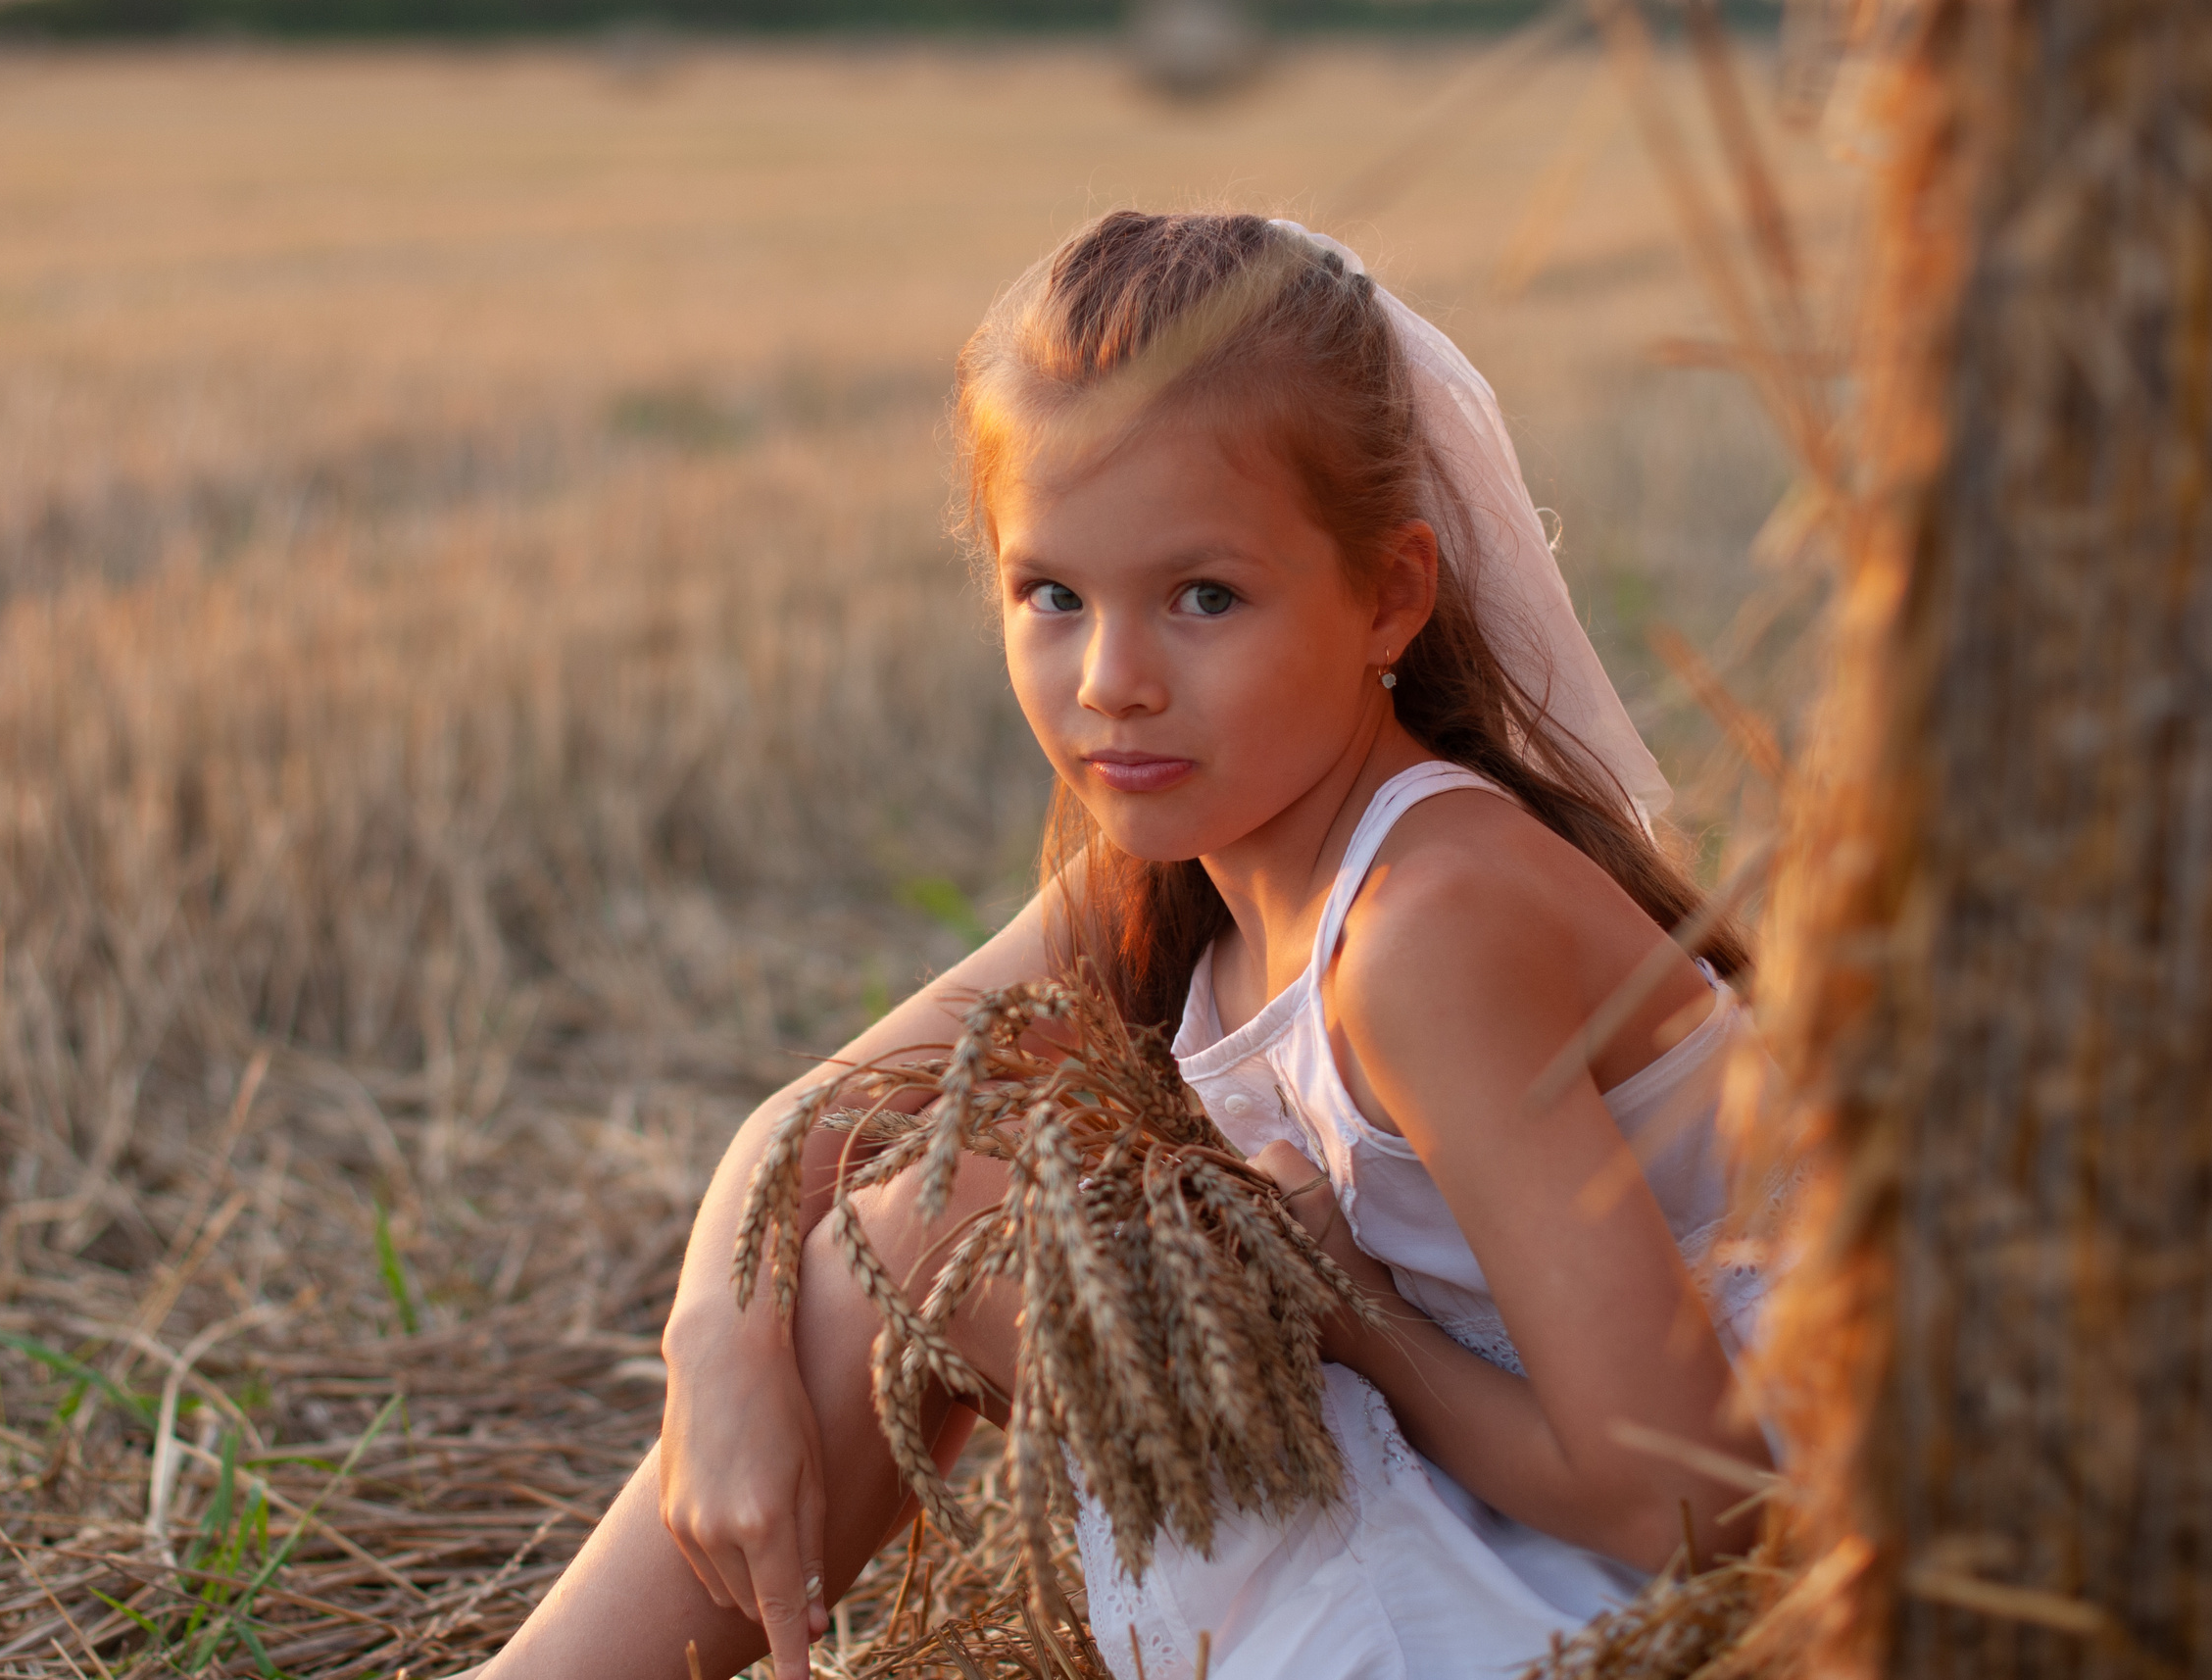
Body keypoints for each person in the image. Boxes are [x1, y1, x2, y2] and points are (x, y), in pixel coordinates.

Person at [472, 210, 1775, 1680]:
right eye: (1054, 595)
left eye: (1203, 596)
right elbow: (824, 1123)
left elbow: (1695, 1503)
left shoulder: (1425, 926)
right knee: (918, 1213)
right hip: (1508, 1490)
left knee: (958, 1216)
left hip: (1645, 1585)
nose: (1112, 680)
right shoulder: (1181, 869)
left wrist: (1351, 1316)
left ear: (1390, 596)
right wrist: (711, 1344)